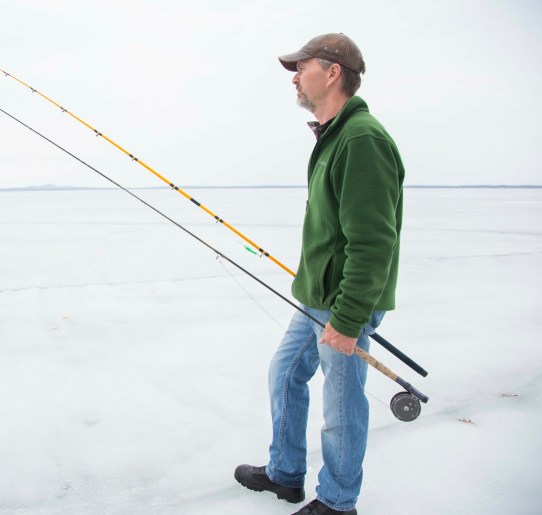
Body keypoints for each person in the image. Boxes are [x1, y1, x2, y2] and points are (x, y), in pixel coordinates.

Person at [234, 33, 405, 515]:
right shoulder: (335, 136)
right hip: (315, 295)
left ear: (332, 73)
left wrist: (349, 320)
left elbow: (373, 242)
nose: (294, 76)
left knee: (341, 404)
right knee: (285, 374)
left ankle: (337, 501)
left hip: (344, 302)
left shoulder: (362, 139)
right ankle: (286, 474)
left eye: (301, 66)